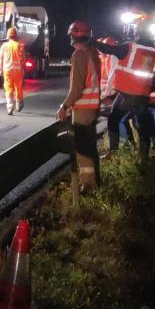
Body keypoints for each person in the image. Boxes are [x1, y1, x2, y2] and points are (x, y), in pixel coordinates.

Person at [94, 32, 155, 160]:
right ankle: (143, 156)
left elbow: (108, 49)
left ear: (137, 36)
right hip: (142, 96)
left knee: (113, 119)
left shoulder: (131, 48)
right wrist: (146, 91)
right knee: (142, 127)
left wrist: (90, 40)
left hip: (126, 95)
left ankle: (113, 152)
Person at [56, 20, 102, 191]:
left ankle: (89, 185)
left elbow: (77, 89)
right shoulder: (92, 53)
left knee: (83, 150)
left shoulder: (79, 55)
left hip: (83, 111)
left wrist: (64, 106)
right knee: (90, 147)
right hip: (92, 109)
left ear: (73, 36)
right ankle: (95, 181)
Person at [0, 27, 25, 115]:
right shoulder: (19, 45)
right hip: (17, 70)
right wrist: (22, 69)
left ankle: (10, 108)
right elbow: (23, 59)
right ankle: (19, 103)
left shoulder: (3, 46)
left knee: (9, 89)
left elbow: (1, 60)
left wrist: (1, 70)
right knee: (18, 88)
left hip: (7, 70)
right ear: (15, 36)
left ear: (8, 36)